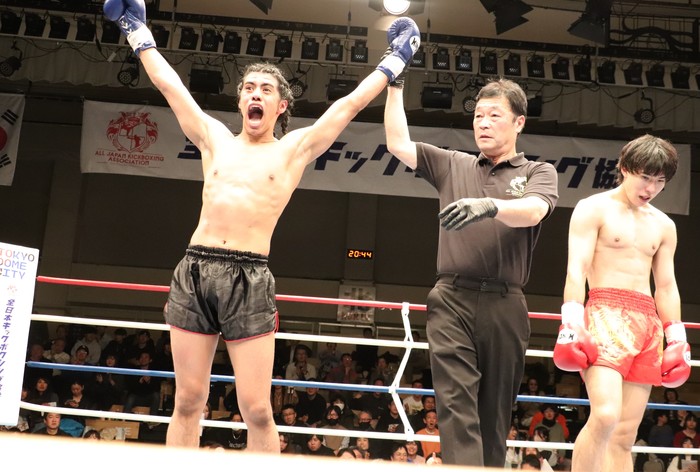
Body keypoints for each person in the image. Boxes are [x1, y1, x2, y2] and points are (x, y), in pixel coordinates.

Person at [103, 0, 420, 453]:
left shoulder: (293, 149)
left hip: (249, 276)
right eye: (249, 88)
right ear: (240, 101)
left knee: (256, 409)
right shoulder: (214, 139)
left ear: (281, 105)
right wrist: (136, 30)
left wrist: (396, 59)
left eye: (265, 89)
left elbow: (349, 105)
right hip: (195, 269)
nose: (255, 94)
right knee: (188, 401)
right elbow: (170, 86)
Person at [384, 77, 558, 468]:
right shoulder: (452, 163)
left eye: (494, 115)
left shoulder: (538, 171)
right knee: (454, 400)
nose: (483, 123)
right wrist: (395, 87)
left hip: (505, 302)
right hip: (451, 298)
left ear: (519, 123)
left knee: (495, 413)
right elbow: (397, 143)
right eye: (478, 115)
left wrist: (490, 206)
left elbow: (534, 211)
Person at [553, 134, 691, 472]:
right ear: (625, 168)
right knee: (605, 415)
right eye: (645, 177)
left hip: (647, 323)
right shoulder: (593, 209)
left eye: (660, 181)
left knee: (625, 434)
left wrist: (677, 338)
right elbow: (576, 269)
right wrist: (571, 322)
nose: (651, 188)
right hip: (604, 314)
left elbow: (666, 286)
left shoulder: (664, 225)